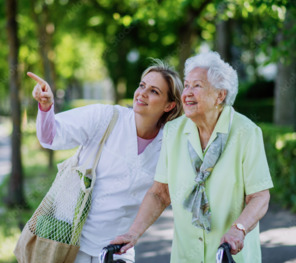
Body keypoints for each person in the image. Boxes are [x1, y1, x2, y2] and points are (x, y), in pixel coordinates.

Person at [111, 51, 274, 262]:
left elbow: (259, 196)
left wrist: (239, 229)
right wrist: (133, 233)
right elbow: (161, 193)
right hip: (186, 256)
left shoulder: (246, 133)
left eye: (197, 86)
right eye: (186, 85)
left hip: (230, 255)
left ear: (220, 95)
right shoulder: (173, 131)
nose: (187, 92)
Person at [28, 60, 183, 263]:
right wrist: (46, 106)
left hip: (119, 248)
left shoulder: (169, 144)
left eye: (154, 91)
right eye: (142, 85)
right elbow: (50, 137)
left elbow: (163, 193)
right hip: (72, 241)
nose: (142, 93)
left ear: (169, 105)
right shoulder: (106, 117)